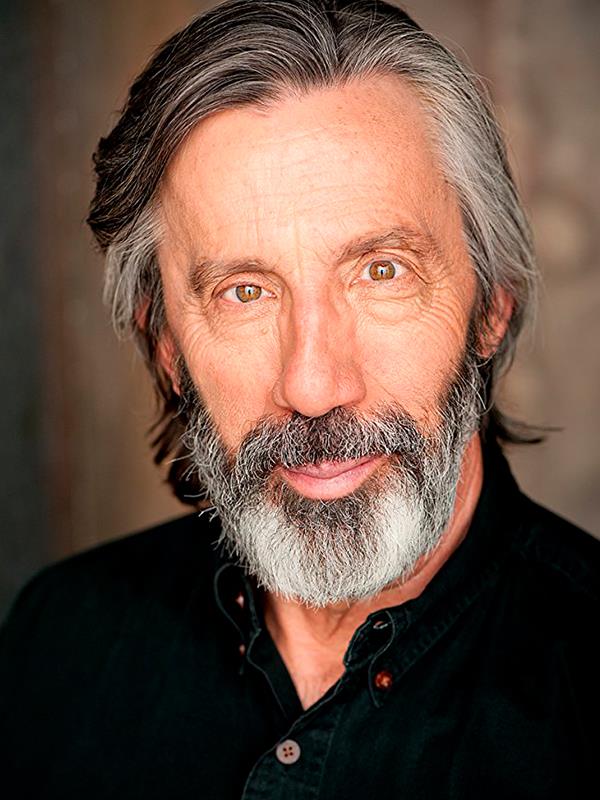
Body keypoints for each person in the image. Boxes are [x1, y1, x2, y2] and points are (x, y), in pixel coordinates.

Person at [1, 0, 598, 797]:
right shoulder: (58, 644)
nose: (313, 388)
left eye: (382, 271)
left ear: (490, 305)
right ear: (168, 345)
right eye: (244, 292)